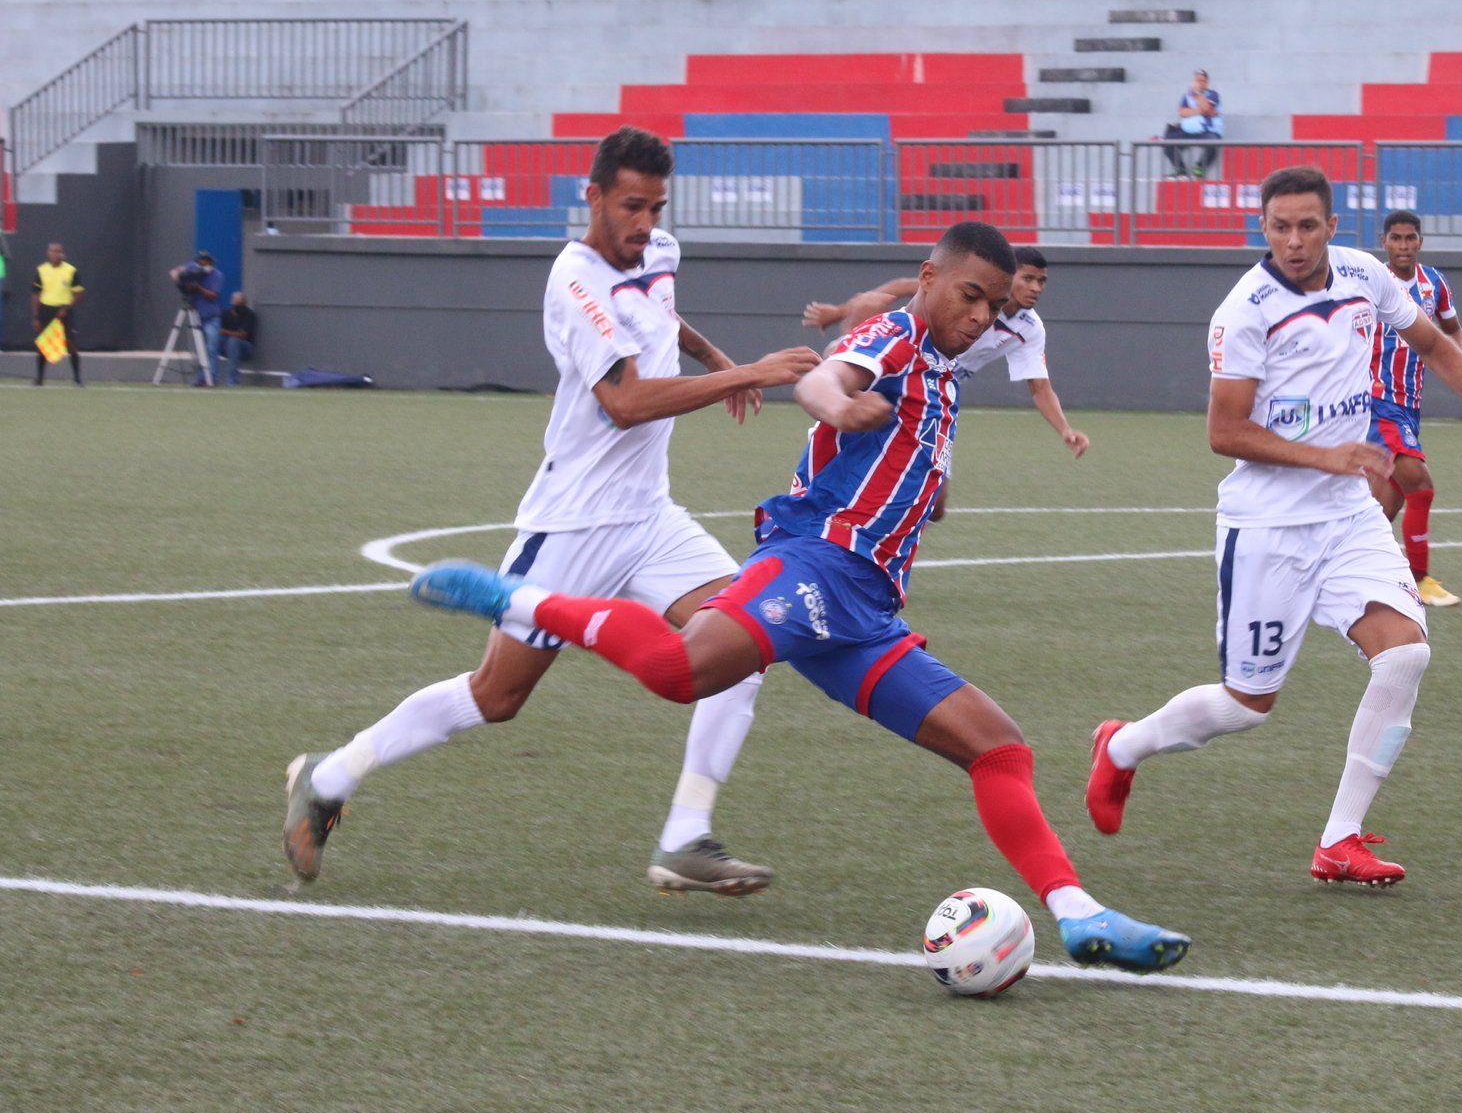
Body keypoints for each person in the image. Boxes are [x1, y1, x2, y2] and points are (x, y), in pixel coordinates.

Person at [405, 220, 1190, 975]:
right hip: (815, 565)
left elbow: (909, 469)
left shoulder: (943, 383)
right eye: (970, 296)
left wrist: (921, 481)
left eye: (993, 305)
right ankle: (515, 598)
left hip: (867, 612)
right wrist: (841, 405)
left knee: (999, 746)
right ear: (929, 279)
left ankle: (1080, 913)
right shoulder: (892, 337)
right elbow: (825, 378)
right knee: (686, 671)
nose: (981, 315)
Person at [284, 126, 822, 893]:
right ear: (593, 196)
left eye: (656, 206)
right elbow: (625, 402)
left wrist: (718, 362)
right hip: (570, 527)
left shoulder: (657, 251)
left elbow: (662, 311)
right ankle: (329, 777)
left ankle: (685, 836)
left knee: (743, 644)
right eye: (630, 206)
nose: (644, 223)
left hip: (650, 518)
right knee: (496, 697)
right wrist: (764, 371)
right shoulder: (574, 283)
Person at [1085, 166, 1462, 888]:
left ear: (1332, 226)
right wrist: (1328, 455)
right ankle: (1122, 748)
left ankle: (1340, 839)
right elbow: (1224, 431)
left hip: (1347, 515)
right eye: (1279, 227)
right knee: (1246, 706)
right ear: (1262, 229)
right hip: (1268, 525)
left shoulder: (1365, 275)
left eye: (1307, 225)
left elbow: (1434, 343)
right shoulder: (1245, 311)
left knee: (1405, 656)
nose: (1293, 241)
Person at [801, 246, 1089, 457]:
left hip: (935, 394)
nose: (1036, 287)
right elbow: (900, 287)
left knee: (936, 503)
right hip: (900, 366)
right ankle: (845, 354)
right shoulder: (964, 289)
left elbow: (1039, 387)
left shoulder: (1030, 328)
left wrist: (1065, 429)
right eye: (1027, 278)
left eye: (1042, 281)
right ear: (1008, 276)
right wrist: (840, 312)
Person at [1367, 211, 1462, 608]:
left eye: (1410, 238)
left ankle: (1333, 567)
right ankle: (1420, 580)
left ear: (1420, 242)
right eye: (1396, 238)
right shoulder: (1371, 281)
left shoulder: (1434, 284)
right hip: (1377, 400)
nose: (1403, 245)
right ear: (1385, 241)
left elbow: (1454, 329)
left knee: (1381, 507)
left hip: (1409, 404)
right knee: (1420, 486)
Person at [168, 251, 225, 385]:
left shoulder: (217, 275)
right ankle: (201, 377)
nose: (202, 264)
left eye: (205, 261)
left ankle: (211, 377)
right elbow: (174, 272)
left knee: (211, 348)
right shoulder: (192, 267)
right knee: (200, 349)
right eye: (200, 261)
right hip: (197, 315)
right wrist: (181, 283)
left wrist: (198, 287)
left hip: (211, 316)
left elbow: (213, 295)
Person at [33, 242, 84, 387]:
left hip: (64, 311)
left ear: (63, 254)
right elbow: (35, 294)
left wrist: (67, 307)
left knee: (71, 344)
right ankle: (39, 379)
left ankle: (77, 379)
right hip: (45, 310)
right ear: (48, 253)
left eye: (58, 251)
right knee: (43, 346)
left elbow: (79, 293)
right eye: (52, 251)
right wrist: (36, 316)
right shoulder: (41, 270)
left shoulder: (71, 270)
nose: (55, 254)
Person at [1162, 68, 1223, 180]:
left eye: (1202, 80)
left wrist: (1198, 95)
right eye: (1197, 80)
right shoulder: (1187, 96)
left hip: (1207, 131)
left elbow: (1208, 110)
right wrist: (1200, 110)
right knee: (1168, 141)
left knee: (1213, 143)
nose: (1199, 83)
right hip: (1187, 131)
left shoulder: (1213, 95)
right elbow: (1182, 112)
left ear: (1207, 83)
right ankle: (1181, 170)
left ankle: (1199, 169)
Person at [217, 292, 258, 387]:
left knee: (233, 341)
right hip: (227, 347)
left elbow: (243, 335)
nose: (240, 307)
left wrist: (226, 332)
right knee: (213, 343)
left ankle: (232, 379)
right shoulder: (225, 314)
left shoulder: (249, 315)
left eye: (242, 304)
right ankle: (208, 376)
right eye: (237, 304)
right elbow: (218, 331)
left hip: (246, 348)